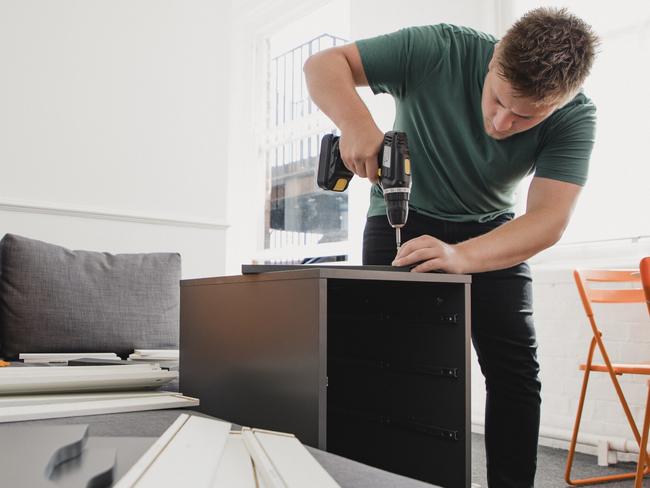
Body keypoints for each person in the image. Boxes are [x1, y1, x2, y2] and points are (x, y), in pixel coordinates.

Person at [304, 7, 598, 487]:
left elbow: (547, 219)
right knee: (385, 358)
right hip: (401, 211)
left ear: (559, 102)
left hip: (492, 232)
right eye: (497, 99)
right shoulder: (438, 49)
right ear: (493, 60)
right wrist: (356, 123)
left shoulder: (577, 117)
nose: (502, 123)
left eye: (526, 116)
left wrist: (462, 257)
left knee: (516, 370)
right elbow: (323, 64)